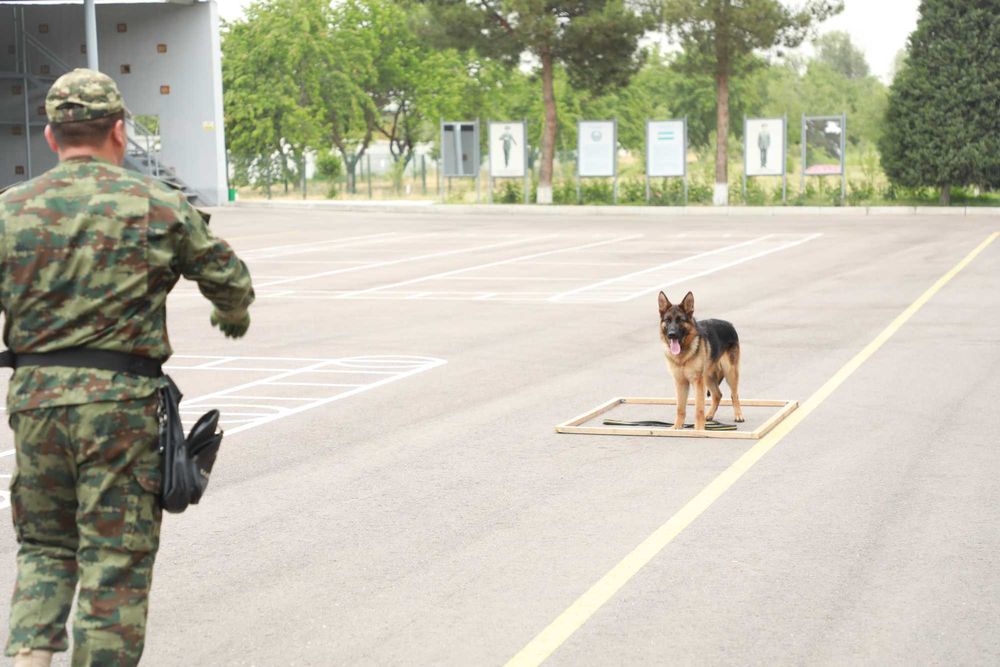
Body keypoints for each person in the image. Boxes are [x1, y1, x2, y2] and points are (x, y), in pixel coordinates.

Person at [1, 69, 254, 666]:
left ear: (50, 135)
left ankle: (28, 659)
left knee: (44, 546)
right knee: (113, 558)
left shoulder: (9, 210)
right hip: (121, 406)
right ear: (119, 131)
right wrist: (231, 315)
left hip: (34, 400)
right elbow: (230, 281)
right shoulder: (156, 204)